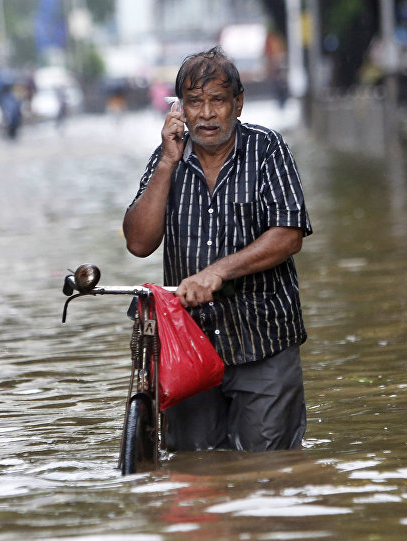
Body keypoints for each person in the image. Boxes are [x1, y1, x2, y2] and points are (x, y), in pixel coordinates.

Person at [123, 47, 312, 452]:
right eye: (194, 102)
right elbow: (139, 243)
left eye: (217, 100)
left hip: (264, 340)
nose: (206, 114)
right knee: (195, 470)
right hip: (189, 345)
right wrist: (167, 163)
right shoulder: (166, 159)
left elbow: (288, 235)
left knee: (268, 472)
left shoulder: (267, 150)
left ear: (238, 103)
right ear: (179, 109)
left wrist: (218, 272)